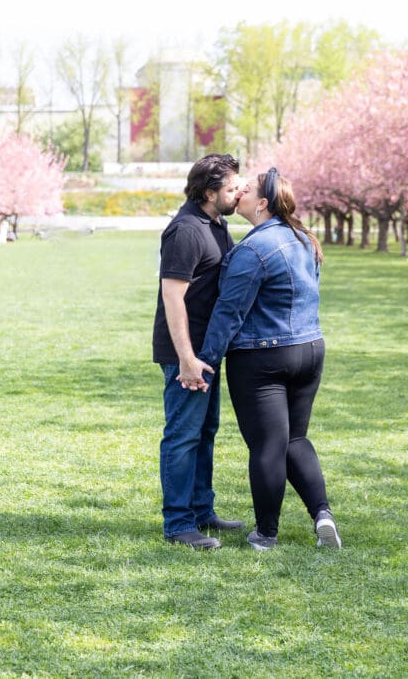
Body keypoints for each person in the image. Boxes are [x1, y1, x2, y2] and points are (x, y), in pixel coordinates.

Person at [184, 168, 341, 551]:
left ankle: (266, 535)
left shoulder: (253, 249)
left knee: (267, 445)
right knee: (295, 438)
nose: (239, 194)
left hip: (262, 358)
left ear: (263, 203)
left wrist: (204, 361)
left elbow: (229, 311)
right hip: (310, 349)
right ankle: (322, 514)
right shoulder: (304, 239)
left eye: (247, 190)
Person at [152, 153, 248, 550]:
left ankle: (201, 509)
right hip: (185, 353)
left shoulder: (216, 223)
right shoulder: (187, 231)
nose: (238, 192)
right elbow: (172, 297)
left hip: (206, 350)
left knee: (205, 430)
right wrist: (187, 359)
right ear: (210, 193)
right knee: (183, 434)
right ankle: (178, 525)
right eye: (231, 188)